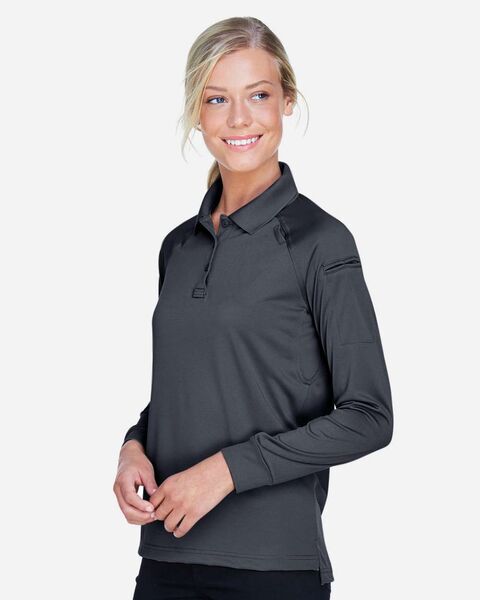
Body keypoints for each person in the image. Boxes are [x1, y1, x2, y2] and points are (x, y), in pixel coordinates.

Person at [113, 16, 394, 600]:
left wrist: (226, 471)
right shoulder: (178, 247)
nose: (239, 119)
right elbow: (198, 386)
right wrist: (134, 445)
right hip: (165, 557)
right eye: (217, 99)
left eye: (258, 95)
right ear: (197, 112)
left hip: (272, 569)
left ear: (287, 100)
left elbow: (369, 415)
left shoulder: (320, 243)